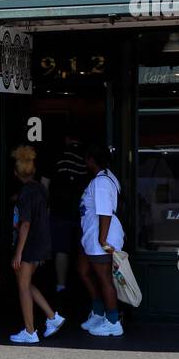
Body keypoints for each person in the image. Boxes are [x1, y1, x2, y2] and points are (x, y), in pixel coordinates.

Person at [9, 145, 64, 344]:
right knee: (27, 283)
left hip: (30, 244)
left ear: (16, 173)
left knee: (22, 287)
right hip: (42, 241)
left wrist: (18, 253)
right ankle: (52, 316)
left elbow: (25, 224)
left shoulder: (25, 193)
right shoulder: (40, 188)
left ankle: (30, 331)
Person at [77, 144, 125, 337]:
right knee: (83, 270)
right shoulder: (104, 177)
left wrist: (102, 240)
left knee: (104, 278)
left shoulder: (102, 182)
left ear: (91, 160)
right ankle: (99, 312)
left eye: (86, 158)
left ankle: (113, 321)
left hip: (101, 236)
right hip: (91, 235)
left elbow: (105, 211)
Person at [50, 133, 87, 295]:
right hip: (83, 211)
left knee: (62, 249)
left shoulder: (58, 157)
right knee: (84, 249)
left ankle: (61, 284)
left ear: (67, 139)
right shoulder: (86, 158)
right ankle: (83, 283)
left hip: (60, 210)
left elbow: (45, 183)